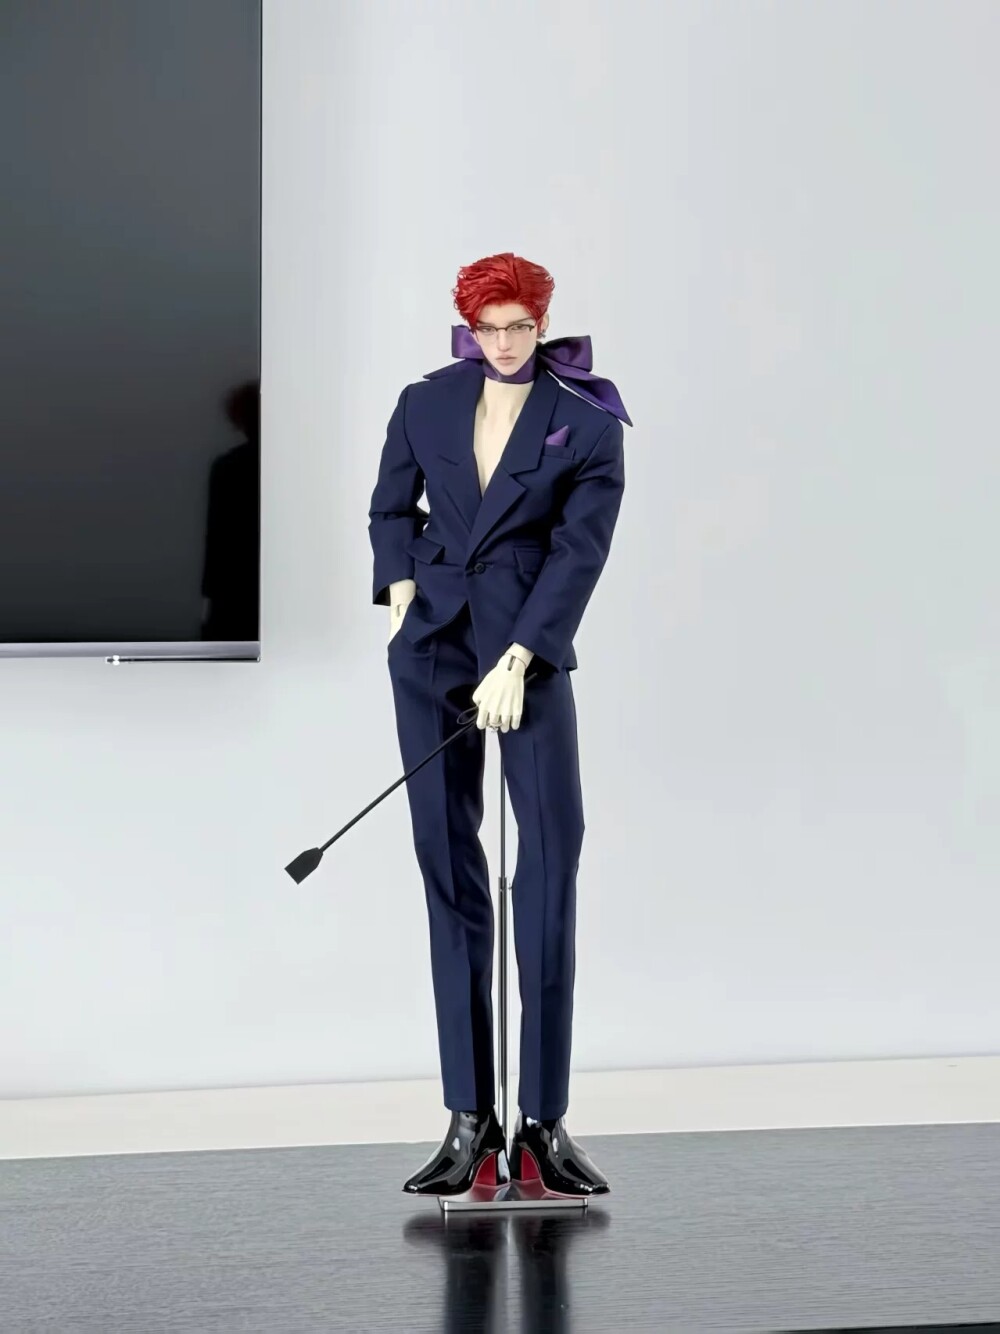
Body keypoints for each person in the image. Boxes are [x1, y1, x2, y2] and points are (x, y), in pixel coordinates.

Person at [368, 251, 631, 1197]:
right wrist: (399, 592)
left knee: (549, 863)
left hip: (528, 651)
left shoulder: (587, 420)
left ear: (542, 323)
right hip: (430, 646)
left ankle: (543, 1123)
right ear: (468, 327)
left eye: (521, 327)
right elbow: (389, 507)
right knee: (447, 867)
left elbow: (580, 551)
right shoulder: (424, 401)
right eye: (490, 328)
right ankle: (469, 1118)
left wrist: (523, 654)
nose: (506, 343)